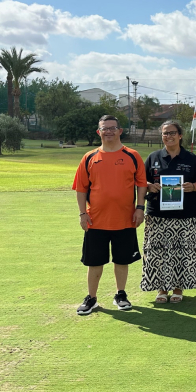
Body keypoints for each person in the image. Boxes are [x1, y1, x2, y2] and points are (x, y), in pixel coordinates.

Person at [73, 115, 146, 315]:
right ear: (99, 132)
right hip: (95, 220)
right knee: (94, 262)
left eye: (113, 128)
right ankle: (92, 298)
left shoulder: (132, 155)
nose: (109, 131)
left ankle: (120, 294)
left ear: (120, 131)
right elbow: (80, 188)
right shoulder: (89, 157)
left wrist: (140, 208)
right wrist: (82, 214)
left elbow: (141, 184)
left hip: (125, 219)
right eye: (105, 128)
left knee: (121, 260)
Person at [141, 120, 196, 303]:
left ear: (180, 135)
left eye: (172, 133)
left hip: (185, 215)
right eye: (165, 133)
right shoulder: (153, 157)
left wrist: (193, 186)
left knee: (182, 252)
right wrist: (149, 186)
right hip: (157, 215)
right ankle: (161, 289)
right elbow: (141, 182)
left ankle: (178, 288)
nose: (168, 136)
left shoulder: (191, 159)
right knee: (159, 253)